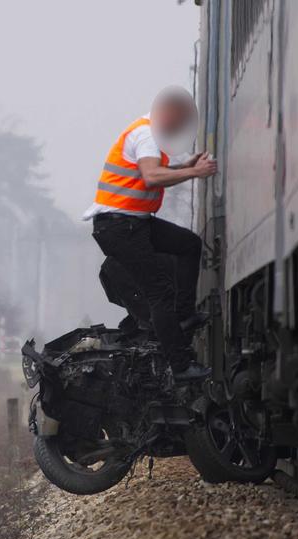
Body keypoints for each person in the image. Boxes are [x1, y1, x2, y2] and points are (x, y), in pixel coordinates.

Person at [84, 85, 219, 381]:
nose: (179, 128)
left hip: (135, 223)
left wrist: (185, 164)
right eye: (179, 121)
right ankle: (181, 366)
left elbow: (153, 173)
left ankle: (184, 317)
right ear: (167, 113)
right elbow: (152, 176)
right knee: (159, 292)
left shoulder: (151, 135)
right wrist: (194, 172)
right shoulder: (145, 135)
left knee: (189, 244)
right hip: (120, 228)